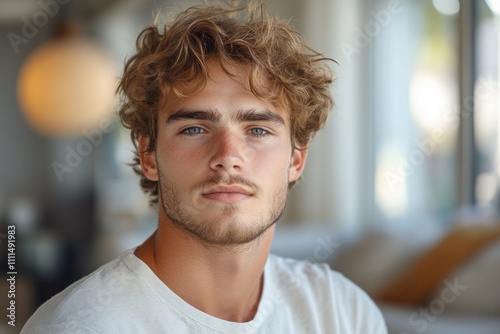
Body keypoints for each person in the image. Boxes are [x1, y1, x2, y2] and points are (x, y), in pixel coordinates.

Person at [21, 1, 387, 333]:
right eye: (194, 128)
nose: (228, 155)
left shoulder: (344, 312)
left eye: (257, 129)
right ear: (149, 155)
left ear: (296, 159)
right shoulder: (79, 327)